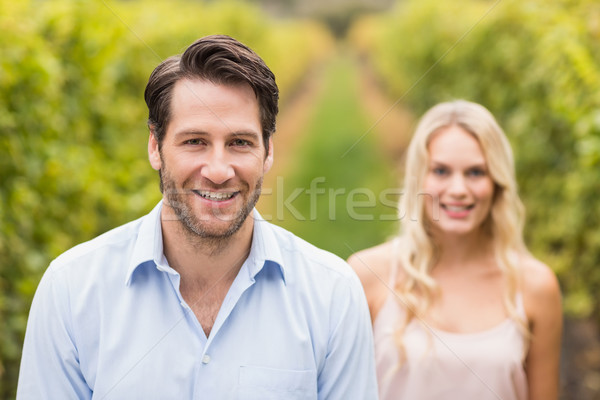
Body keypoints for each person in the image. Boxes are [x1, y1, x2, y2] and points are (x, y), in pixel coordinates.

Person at [17, 35, 377, 399]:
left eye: (240, 142)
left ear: (268, 151)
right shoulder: (71, 291)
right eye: (195, 141)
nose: (219, 170)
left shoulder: (333, 296)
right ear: (155, 147)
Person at [348, 100, 562, 400]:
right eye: (441, 171)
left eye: (476, 172)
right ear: (418, 179)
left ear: (497, 182)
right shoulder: (367, 274)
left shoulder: (536, 286)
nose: (458, 189)